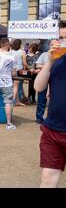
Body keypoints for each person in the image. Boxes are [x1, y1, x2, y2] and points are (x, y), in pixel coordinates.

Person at [35, 20, 66, 188]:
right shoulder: (56, 59)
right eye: (61, 38)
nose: (61, 42)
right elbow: (38, 87)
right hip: (53, 129)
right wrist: (50, 61)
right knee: (48, 179)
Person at [10, 39, 29, 106]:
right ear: (20, 44)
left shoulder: (10, 51)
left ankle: (17, 101)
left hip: (11, 70)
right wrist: (29, 68)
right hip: (18, 70)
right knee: (15, 87)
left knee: (14, 86)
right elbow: (24, 63)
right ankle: (12, 101)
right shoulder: (22, 52)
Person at [35, 47, 51, 124]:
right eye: (51, 44)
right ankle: (39, 117)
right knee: (41, 98)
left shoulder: (61, 55)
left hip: (56, 78)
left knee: (54, 99)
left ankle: (50, 118)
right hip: (44, 78)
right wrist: (47, 66)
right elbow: (37, 65)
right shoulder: (44, 54)